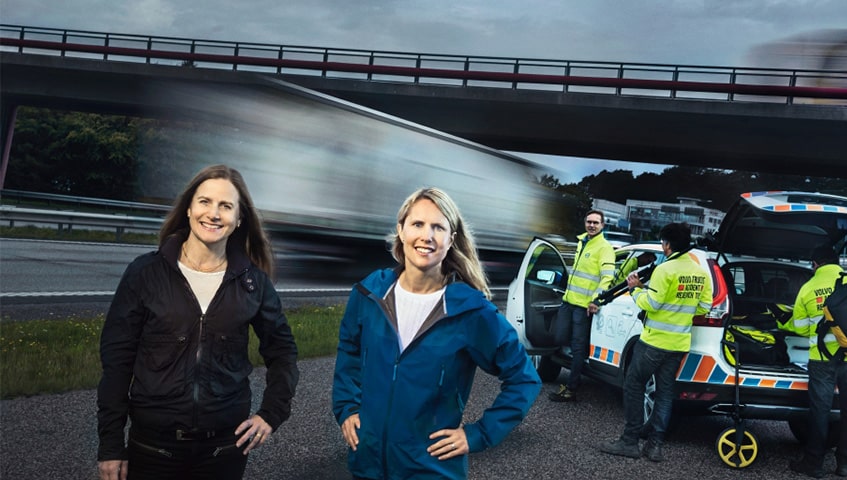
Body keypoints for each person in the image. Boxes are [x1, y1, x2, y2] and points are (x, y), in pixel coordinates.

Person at [96, 165, 300, 480]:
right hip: (153, 448)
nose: (214, 213)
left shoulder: (253, 283)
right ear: (189, 208)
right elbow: (117, 362)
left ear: (238, 219)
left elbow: (283, 351)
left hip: (223, 450)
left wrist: (271, 414)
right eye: (205, 202)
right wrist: (110, 445)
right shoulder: (145, 273)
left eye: (226, 206)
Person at [332, 187, 541, 479]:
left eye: (438, 227)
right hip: (367, 465)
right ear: (401, 230)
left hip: (431, 469)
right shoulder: (369, 294)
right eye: (417, 224)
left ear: (451, 239)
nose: (426, 236)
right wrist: (346, 407)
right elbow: (349, 351)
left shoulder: (471, 311)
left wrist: (478, 434)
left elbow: (524, 378)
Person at [599, 222, 712, 462]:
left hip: (654, 342)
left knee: (633, 384)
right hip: (679, 343)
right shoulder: (700, 272)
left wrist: (636, 289)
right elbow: (704, 306)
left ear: (667, 244)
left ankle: (629, 441)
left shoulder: (664, 270)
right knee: (664, 393)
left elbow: (652, 304)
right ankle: (655, 446)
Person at [780, 245, 847, 478]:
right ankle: (845, 464)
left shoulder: (809, 287)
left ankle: (814, 464)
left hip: (822, 360)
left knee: (820, 411)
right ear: (836, 261)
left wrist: (783, 321)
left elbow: (800, 328)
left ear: (815, 264)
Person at [547, 210, 616, 402]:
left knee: (577, 347)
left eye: (596, 222)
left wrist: (595, 300)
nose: (592, 225)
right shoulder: (582, 242)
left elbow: (607, 278)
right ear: (585, 223)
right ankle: (578, 365)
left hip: (583, 307)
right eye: (589, 222)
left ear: (602, 225)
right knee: (560, 337)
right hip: (568, 301)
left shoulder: (604, 248)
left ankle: (571, 388)